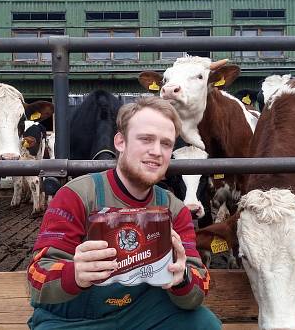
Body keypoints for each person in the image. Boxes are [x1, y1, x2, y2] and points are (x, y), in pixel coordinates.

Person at [27, 96, 221, 330]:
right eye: (146, 139)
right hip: (75, 320)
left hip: (143, 314)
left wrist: (183, 277)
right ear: (120, 142)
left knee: (204, 324)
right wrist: (75, 273)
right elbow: (36, 278)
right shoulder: (77, 195)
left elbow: (198, 288)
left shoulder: (175, 210)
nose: (157, 151)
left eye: (166, 144)